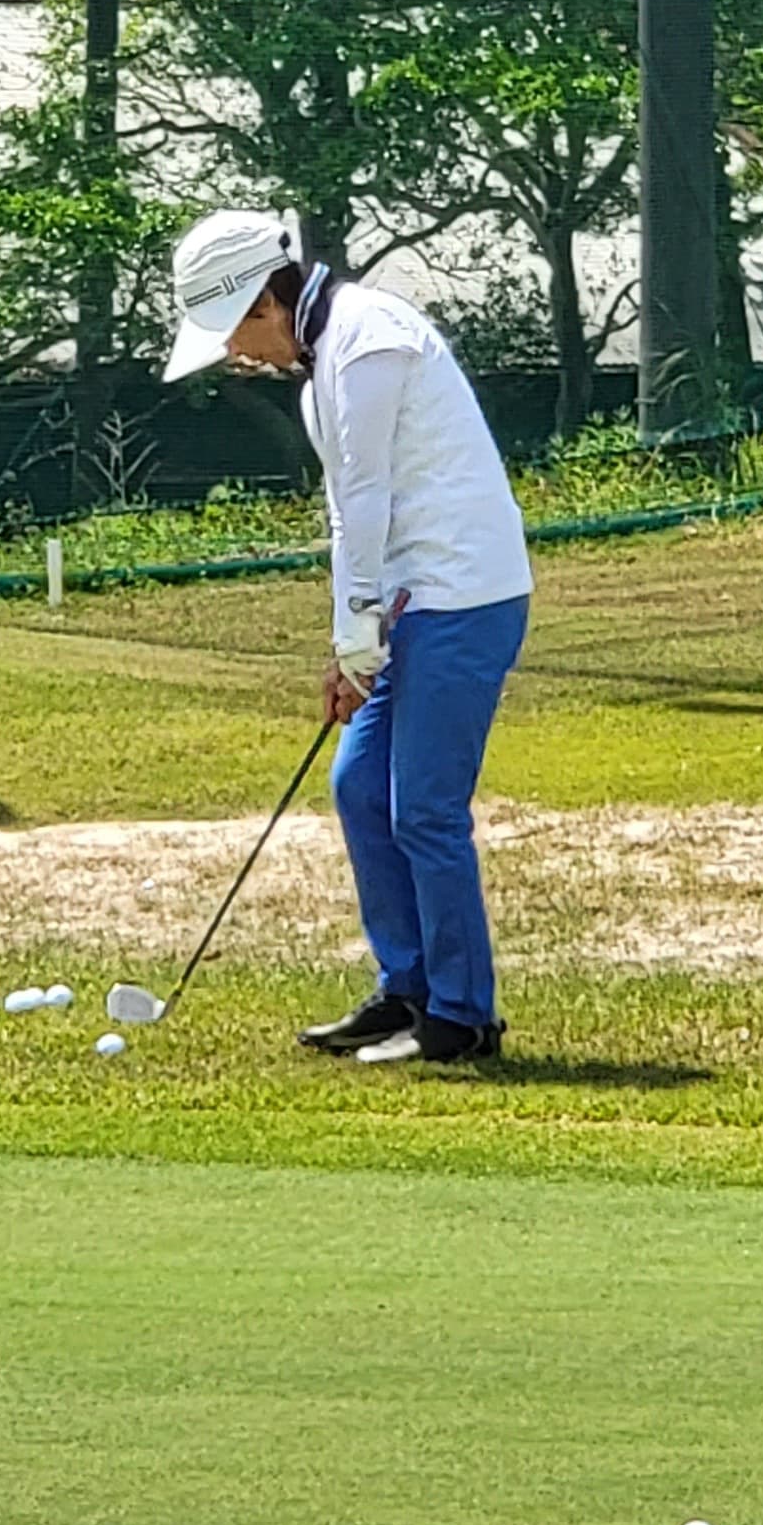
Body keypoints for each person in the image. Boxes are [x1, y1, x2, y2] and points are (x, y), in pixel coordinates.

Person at [162, 211, 533, 1065]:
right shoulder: (323, 366)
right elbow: (345, 519)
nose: (237, 355)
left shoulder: (368, 344)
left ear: (265, 299)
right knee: (361, 787)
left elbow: (370, 502)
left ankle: (462, 1017)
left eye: (235, 333)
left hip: (465, 597)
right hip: (409, 605)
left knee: (426, 809)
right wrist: (349, 643)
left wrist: (359, 634)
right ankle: (406, 989)